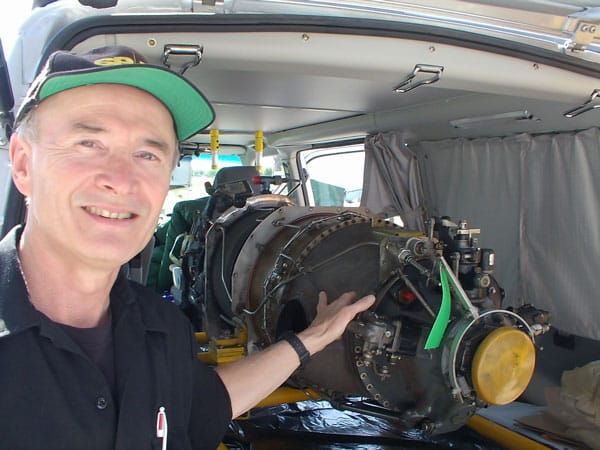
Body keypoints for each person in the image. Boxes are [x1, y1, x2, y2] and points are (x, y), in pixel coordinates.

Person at [0, 45, 375, 449]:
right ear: (23, 164)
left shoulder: (162, 328)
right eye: (88, 144)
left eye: (147, 154)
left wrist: (312, 339)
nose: (121, 180)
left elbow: (204, 406)